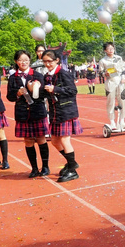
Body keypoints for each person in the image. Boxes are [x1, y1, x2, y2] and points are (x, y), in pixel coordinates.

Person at [6, 50, 51, 178]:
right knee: (28, 140)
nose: (23, 62)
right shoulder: (12, 78)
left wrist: (35, 89)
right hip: (22, 113)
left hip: (37, 111)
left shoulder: (37, 75)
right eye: (21, 60)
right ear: (16, 62)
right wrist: (17, 93)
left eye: (26, 60)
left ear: (30, 61)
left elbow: (44, 95)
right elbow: (9, 97)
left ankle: (45, 167)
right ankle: (34, 168)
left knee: (41, 139)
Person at [42, 50, 82, 183]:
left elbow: (72, 91)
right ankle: (71, 163)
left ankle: (72, 171)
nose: (47, 64)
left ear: (56, 60)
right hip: (54, 112)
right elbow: (45, 94)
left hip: (66, 111)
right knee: (54, 141)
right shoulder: (46, 76)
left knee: (65, 140)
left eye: (50, 61)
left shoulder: (63, 73)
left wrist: (55, 89)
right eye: (45, 61)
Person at [99, 42, 125, 129]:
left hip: (120, 82)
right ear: (105, 50)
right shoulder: (103, 61)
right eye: (109, 49)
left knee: (122, 101)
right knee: (110, 102)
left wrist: (123, 77)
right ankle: (112, 122)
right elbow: (100, 73)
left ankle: (122, 121)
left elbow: (123, 69)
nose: (111, 50)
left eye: (112, 48)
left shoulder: (118, 58)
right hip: (110, 83)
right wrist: (105, 74)